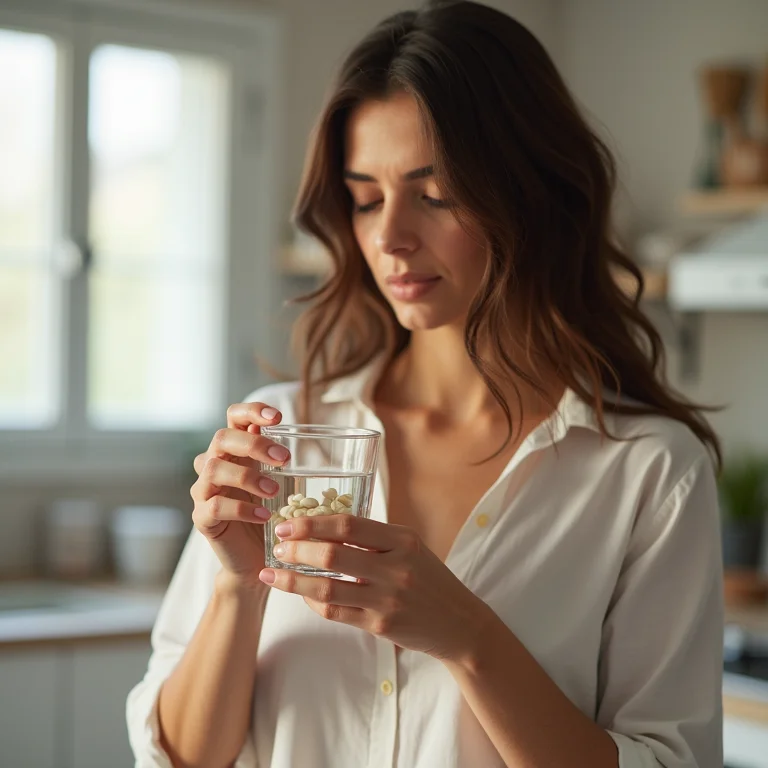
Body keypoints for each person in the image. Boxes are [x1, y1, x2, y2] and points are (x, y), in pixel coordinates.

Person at [127, 2, 724, 766]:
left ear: (533, 192)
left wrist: (469, 638)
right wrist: (241, 585)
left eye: (433, 193)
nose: (389, 237)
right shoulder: (284, 436)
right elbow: (174, 757)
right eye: (367, 198)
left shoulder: (647, 470)